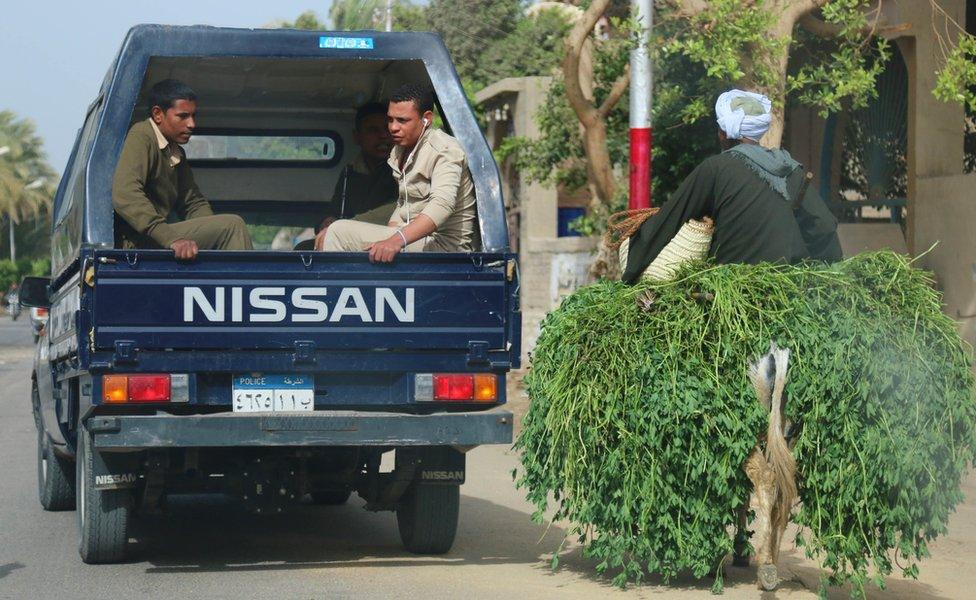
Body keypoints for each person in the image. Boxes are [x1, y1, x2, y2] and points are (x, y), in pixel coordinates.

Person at [622, 89, 842, 284]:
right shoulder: (790, 168)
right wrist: (828, 278)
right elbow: (822, 226)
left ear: (725, 133)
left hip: (732, 290)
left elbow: (670, 219)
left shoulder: (716, 169)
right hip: (788, 286)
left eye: (719, 128)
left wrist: (631, 269)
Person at [321, 83, 479, 262]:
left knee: (338, 232)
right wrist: (389, 233)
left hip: (444, 247)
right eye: (390, 119)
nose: (393, 128)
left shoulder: (444, 149)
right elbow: (404, 204)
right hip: (416, 241)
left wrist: (395, 240)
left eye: (402, 120)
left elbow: (442, 205)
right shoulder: (400, 151)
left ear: (426, 119)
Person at [112, 79, 252, 260]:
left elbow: (192, 202)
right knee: (232, 226)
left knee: (224, 228)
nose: (191, 124)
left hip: (156, 237)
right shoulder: (141, 135)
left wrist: (211, 232)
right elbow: (125, 194)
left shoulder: (176, 152)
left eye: (193, 116)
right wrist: (172, 239)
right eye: (183, 116)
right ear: (158, 114)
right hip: (137, 242)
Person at [299, 103, 397, 251]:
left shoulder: (402, 167)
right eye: (373, 130)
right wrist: (326, 222)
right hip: (350, 240)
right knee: (303, 249)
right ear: (357, 137)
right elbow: (335, 210)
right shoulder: (350, 172)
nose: (383, 136)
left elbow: (398, 208)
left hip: (389, 239)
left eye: (386, 129)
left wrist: (344, 227)